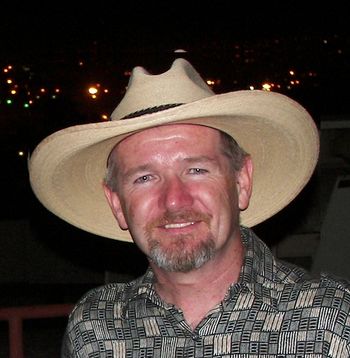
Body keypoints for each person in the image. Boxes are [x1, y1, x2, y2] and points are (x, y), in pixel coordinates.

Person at [28, 58, 350, 357]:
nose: (174, 199)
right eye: (145, 177)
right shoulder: (93, 330)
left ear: (241, 182)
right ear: (117, 203)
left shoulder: (333, 321)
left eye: (196, 170)